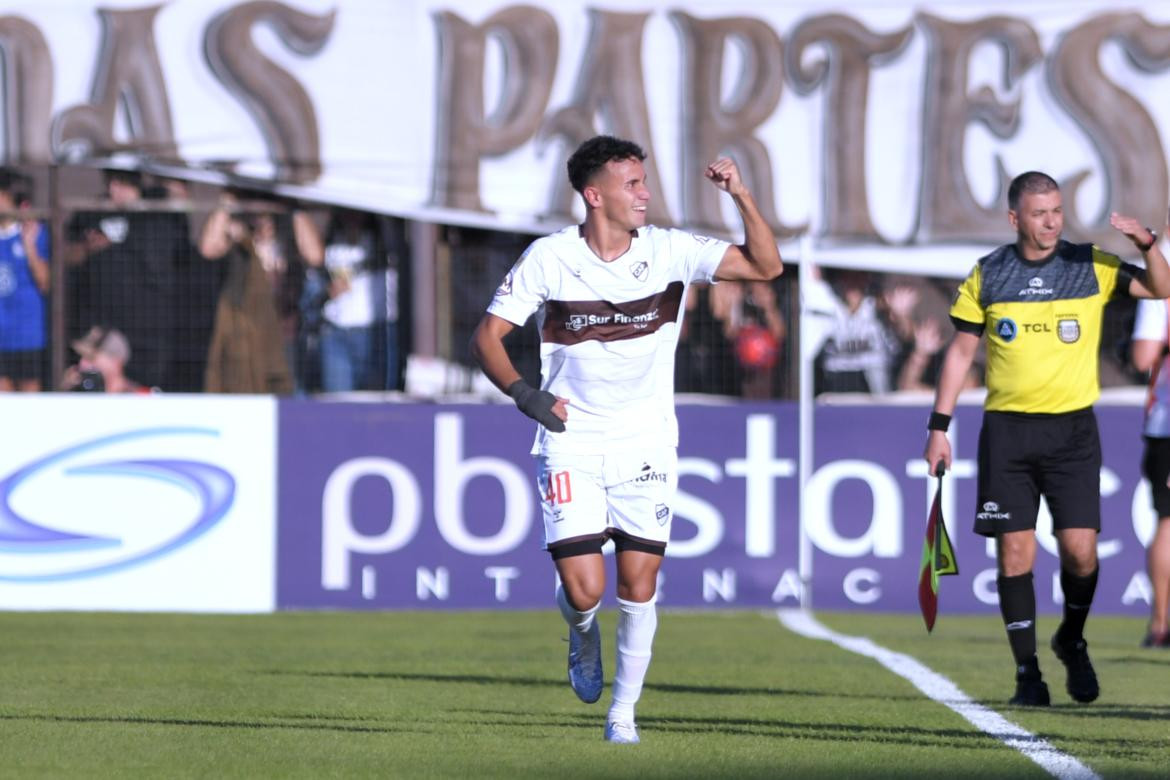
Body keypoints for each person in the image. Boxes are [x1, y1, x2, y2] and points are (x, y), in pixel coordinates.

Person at [470, 135, 782, 743]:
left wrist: (741, 195)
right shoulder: (550, 257)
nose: (645, 194)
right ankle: (581, 636)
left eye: (643, 182)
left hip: (646, 442)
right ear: (595, 195)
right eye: (632, 184)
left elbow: (766, 266)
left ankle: (623, 715)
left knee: (638, 585)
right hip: (571, 440)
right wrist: (525, 394)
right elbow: (487, 336)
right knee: (584, 592)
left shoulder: (669, 251)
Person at [923, 171, 1170, 706]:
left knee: (1081, 554)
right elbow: (961, 353)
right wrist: (938, 428)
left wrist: (1148, 245)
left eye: (1057, 210)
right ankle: (1027, 675)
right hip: (1008, 433)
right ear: (1015, 219)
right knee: (1016, 553)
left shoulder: (1090, 265)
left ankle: (1071, 639)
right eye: (1039, 213)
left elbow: (1161, 288)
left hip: (1073, 432)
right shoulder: (989, 274)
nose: (1051, 221)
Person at [65, 168, 187, 389]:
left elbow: (175, 259)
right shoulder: (91, 212)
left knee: (141, 391)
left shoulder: (159, 214)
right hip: (103, 330)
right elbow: (66, 254)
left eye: (121, 182)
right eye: (110, 182)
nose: (114, 190)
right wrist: (86, 248)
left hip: (147, 331)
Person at [198, 190, 297, 394]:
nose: (260, 216)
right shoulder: (240, 241)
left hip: (284, 336)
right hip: (246, 338)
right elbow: (208, 247)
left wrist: (294, 204)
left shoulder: (288, 238)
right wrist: (227, 201)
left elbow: (314, 254)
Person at [1130, 292, 1170, 648]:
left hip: (1167, 423)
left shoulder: (1161, 272)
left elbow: (1143, 357)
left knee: (1168, 522)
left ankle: (1160, 623)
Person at [0, 170, 50, 392]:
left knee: (30, 401)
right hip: (2, 336)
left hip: (28, 336)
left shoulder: (35, 232)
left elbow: (45, 282)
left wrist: (29, 247)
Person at [60, 325, 150, 394]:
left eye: (91, 358)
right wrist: (66, 391)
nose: (82, 363)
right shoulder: (81, 397)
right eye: (81, 358)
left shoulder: (142, 399)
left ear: (115, 361)